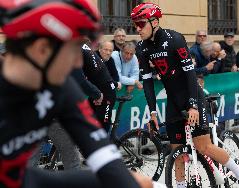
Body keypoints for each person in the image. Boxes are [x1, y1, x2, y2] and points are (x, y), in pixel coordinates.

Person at [0, 1, 157, 188]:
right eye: (74, 51)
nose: (77, 64)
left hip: (20, 178)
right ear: (42, 49)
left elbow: (103, 154)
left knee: (137, 182)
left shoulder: (61, 87)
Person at [131, 2, 239, 188]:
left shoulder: (175, 39)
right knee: (177, 152)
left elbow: (190, 74)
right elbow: (147, 82)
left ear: (154, 22)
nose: (137, 29)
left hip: (191, 95)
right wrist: (153, 112)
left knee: (203, 146)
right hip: (173, 100)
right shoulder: (142, 48)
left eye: (140, 24)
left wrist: (193, 105)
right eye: (135, 24)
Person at [82, 40, 118, 132]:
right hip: (96, 91)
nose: (108, 52)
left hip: (107, 93)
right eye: (105, 49)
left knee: (103, 121)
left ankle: (105, 144)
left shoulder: (81, 50)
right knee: (88, 119)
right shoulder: (86, 51)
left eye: (110, 50)